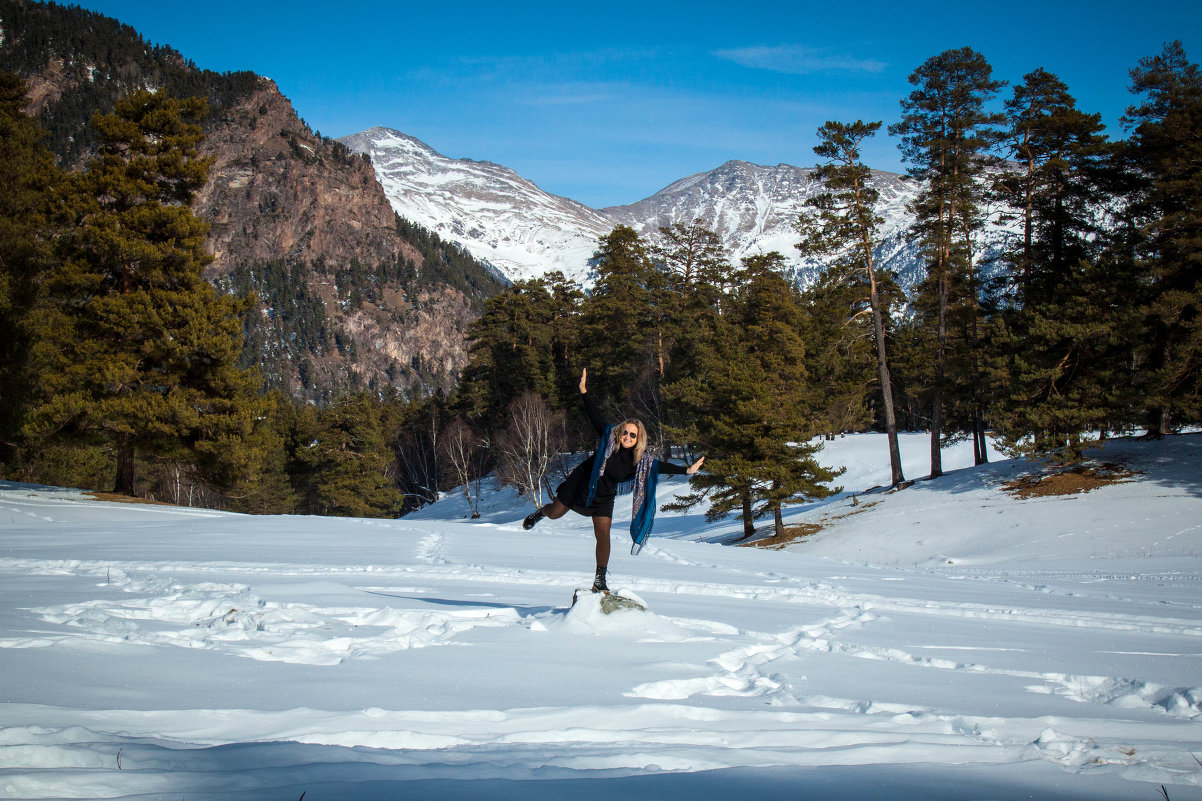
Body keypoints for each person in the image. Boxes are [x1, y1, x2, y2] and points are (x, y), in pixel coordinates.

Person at [523, 368, 705, 593]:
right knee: (556, 513)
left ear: (639, 439)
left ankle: (600, 579)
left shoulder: (641, 461)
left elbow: (659, 467)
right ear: (620, 432)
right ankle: (541, 513)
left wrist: (686, 470)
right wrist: (583, 391)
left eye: (632, 435)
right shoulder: (609, 437)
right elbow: (594, 416)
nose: (627, 437)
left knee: (603, 535)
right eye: (626, 432)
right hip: (582, 483)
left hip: (604, 496)